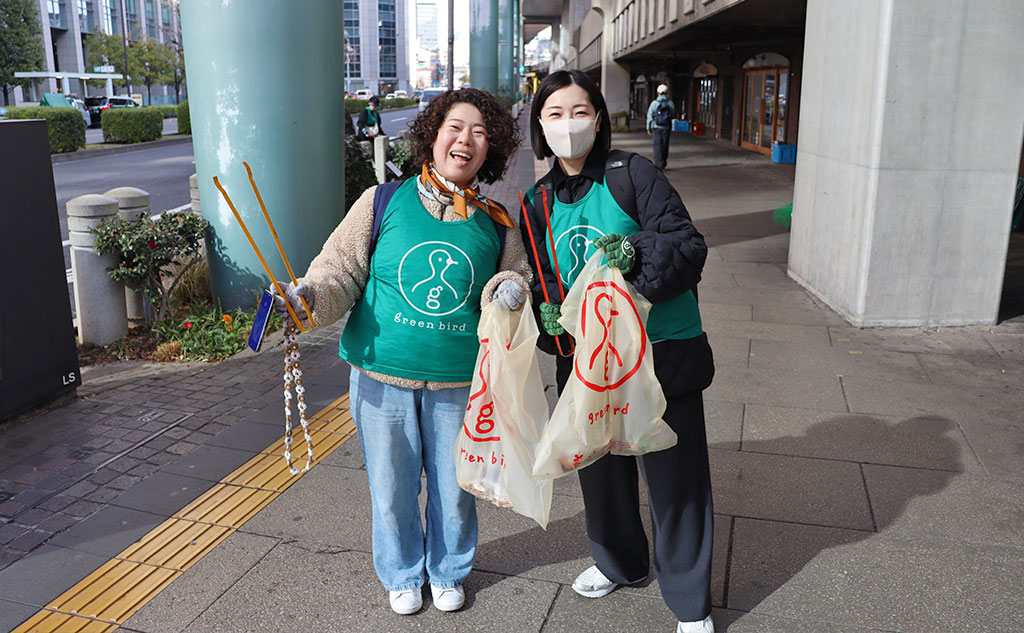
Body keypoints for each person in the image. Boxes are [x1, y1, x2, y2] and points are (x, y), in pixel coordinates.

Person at [272, 88, 531, 616]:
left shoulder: (497, 221)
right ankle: (402, 573)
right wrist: (309, 296)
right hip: (380, 375)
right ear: (432, 137)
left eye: (480, 133)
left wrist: (509, 290)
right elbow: (339, 271)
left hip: (461, 379)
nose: (466, 140)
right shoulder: (381, 201)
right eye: (455, 127)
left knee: (455, 487)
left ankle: (450, 570)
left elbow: (516, 276)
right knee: (390, 486)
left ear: (491, 150)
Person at [520, 69, 716, 633]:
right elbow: (543, 277)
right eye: (554, 114)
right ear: (539, 125)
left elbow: (685, 243)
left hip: (658, 353)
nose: (568, 125)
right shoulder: (538, 199)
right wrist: (547, 315)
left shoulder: (633, 174)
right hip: (590, 361)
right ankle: (618, 562)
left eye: (579, 111)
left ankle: (688, 600)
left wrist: (634, 254)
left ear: (599, 120)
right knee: (598, 468)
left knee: (674, 475)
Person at [647, 83, 676, 169]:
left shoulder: (654, 103)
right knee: (665, 145)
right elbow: (673, 114)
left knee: (657, 146)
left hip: (656, 127)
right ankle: (663, 162)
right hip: (666, 127)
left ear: (658, 93)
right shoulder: (670, 103)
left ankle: (658, 164)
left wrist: (649, 128)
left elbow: (649, 116)